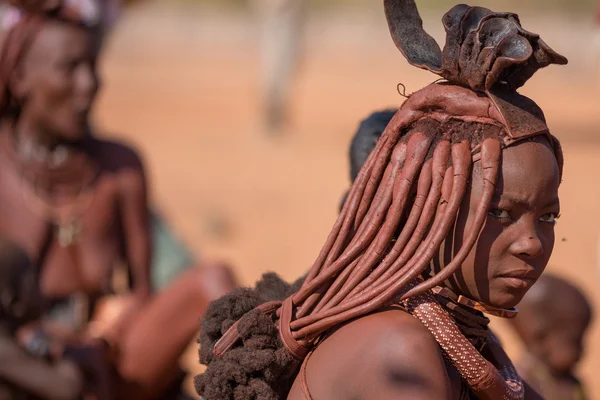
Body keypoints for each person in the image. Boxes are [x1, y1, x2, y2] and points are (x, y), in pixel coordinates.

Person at [195, 1, 568, 399]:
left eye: (547, 218)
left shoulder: (469, 342)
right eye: (498, 213)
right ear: (418, 212)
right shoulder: (400, 351)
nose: (530, 243)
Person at [0, 1, 236, 398]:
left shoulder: (120, 168)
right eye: (69, 68)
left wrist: (114, 326)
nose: (90, 83)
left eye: (93, 66)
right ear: (20, 78)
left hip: (112, 359)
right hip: (32, 368)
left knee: (214, 280)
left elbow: (143, 292)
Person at [0, 239, 112, 400]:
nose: (41, 289)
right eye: (32, 281)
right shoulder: (3, 350)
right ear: (9, 299)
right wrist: (71, 358)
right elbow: (66, 389)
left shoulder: (12, 340)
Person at [511, 274, 593, 400]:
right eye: (575, 341)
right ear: (541, 339)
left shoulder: (572, 382)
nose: (583, 350)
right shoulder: (521, 383)